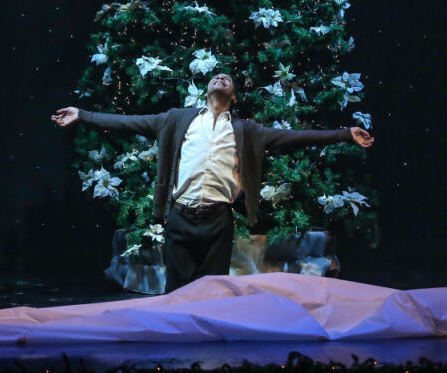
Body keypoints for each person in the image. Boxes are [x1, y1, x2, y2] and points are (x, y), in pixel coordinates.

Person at [51, 72, 374, 292]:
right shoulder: (176, 119)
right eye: (215, 77)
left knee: (212, 292)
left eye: (227, 79)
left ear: (233, 96)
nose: (221, 77)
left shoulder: (248, 131)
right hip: (181, 215)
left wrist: (345, 134)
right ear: (206, 91)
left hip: (218, 220)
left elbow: (297, 136)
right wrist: (83, 114)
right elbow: (127, 122)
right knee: (176, 292)